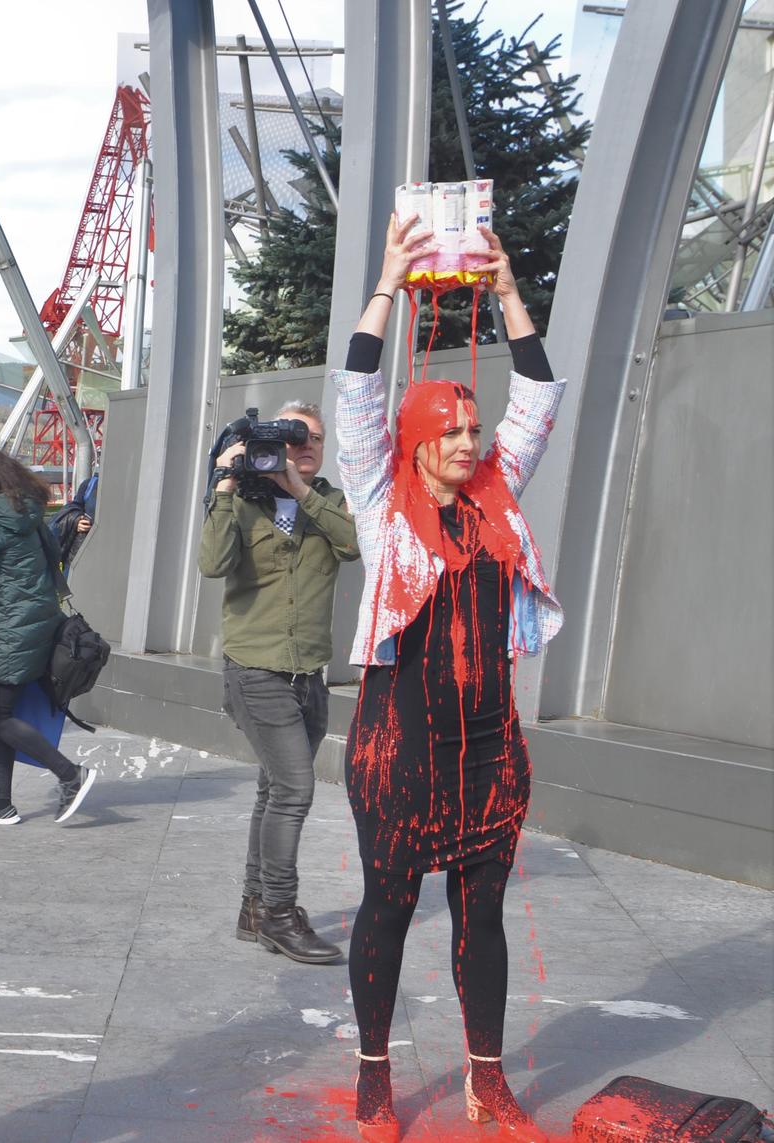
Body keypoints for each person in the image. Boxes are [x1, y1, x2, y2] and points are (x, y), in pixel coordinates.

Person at [335, 215, 563, 1143]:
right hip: (400, 746)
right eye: (454, 429)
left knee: (487, 915)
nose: (471, 441)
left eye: (475, 427)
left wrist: (507, 289)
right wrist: (389, 283)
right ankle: (375, 1079)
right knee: (387, 908)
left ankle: (486, 1080)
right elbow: (356, 391)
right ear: (420, 440)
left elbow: (541, 393)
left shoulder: (497, 495)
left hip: (488, 748)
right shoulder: (379, 499)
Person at [197, 401, 359, 964]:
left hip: (309, 675)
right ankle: (280, 916)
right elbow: (213, 565)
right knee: (294, 789)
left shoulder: (331, 502)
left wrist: (297, 486)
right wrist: (222, 484)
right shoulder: (240, 501)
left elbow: (355, 543)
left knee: (273, 789)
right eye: (291, 437)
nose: (304, 444)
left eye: (312, 436)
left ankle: (253, 905)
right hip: (256, 669)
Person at [0, 451, 97, 825]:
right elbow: (53, 557)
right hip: (38, 623)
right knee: (0, 712)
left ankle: (71, 774)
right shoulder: (28, 512)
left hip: (10, 630)